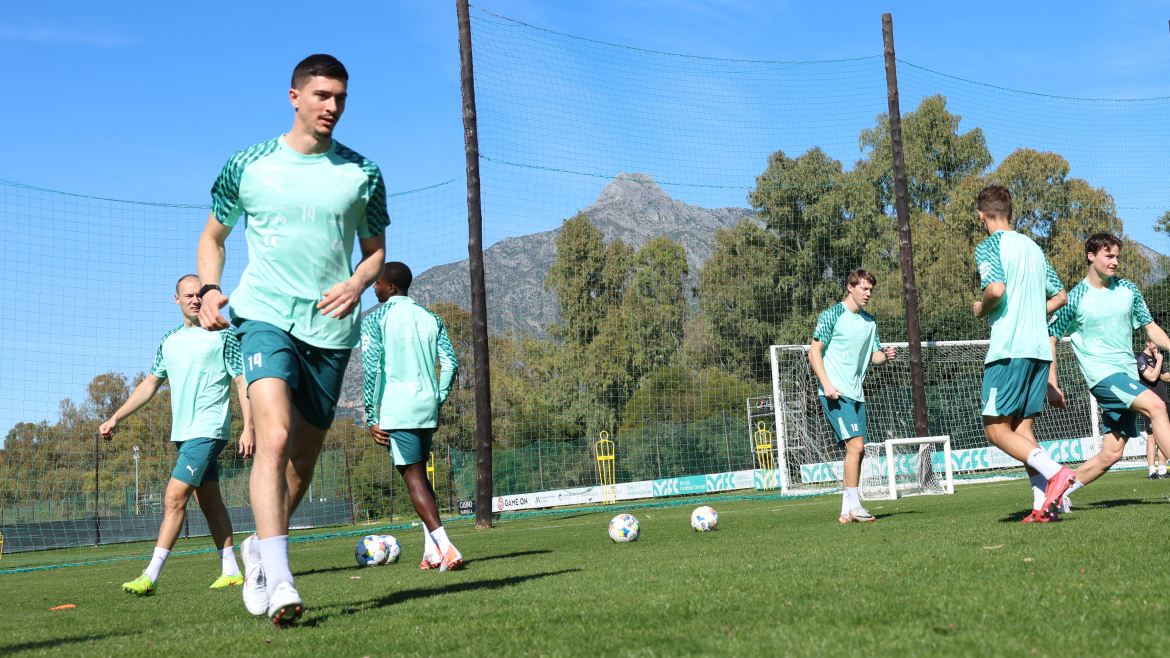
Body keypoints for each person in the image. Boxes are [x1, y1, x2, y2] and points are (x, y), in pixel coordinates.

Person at [195, 54, 388, 625]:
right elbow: (212, 237)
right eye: (322, 95)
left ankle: (261, 547)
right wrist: (210, 289)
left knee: (302, 459)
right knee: (273, 436)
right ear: (294, 96)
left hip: (331, 327)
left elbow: (375, 251)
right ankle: (280, 580)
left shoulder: (363, 173)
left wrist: (357, 283)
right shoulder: (248, 165)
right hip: (264, 315)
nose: (333, 106)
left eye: (340, 98)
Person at [100, 275, 253, 595]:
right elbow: (149, 384)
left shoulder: (223, 334)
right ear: (177, 299)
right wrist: (116, 417)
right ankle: (231, 571)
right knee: (209, 502)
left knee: (173, 497)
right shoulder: (169, 340)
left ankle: (150, 576)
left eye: (200, 295)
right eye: (188, 295)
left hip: (208, 429)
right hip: (183, 434)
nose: (195, 300)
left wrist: (248, 427)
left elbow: (242, 382)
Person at [972, 185, 1072, 523]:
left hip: (1010, 349)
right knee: (1022, 431)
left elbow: (995, 289)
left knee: (995, 430)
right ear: (1011, 213)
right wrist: (1030, 310)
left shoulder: (990, 245)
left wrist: (981, 307)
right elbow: (1061, 296)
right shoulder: (1034, 248)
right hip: (1039, 350)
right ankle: (1044, 506)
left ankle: (1056, 472)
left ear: (981, 216)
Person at [1048, 233, 1170, 505]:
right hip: (1103, 376)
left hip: (1127, 375)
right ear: (1091, 256)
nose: (1115, 262)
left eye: (1117, 257)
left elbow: (1150, 327)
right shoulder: (1074, 298)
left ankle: (1056, 494)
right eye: (1109, 256)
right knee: (1157, 406)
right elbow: (1050, 338)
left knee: (1112, 453)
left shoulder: (1129, 290)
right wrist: (1051, 383)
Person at [362, 263, 462, 570]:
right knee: (421, 478)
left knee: (414, 479)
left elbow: (372, 369)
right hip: (426, 407)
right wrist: (437, 397)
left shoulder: (376, 319)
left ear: (391, 287)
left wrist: (371, 416)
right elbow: (451, 363)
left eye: (378, 283)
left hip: (398, 409)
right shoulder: (431, 317)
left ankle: (446, 547)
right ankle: (432, 552)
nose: (374, 288)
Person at [808, 269, 897, 523]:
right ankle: (856, 507)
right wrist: (826, 384)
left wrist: (885, 356)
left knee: (856, 451)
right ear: (850, 287)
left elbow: (874, 356)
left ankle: (846, 510)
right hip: (835, 393)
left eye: (871, 290)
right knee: (856, 447)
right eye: (864, 288)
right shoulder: (832, 315)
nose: (868, 293)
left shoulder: (870, 322)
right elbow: (814, 352)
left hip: (858, 395)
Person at [1135, 338, 1170, 479]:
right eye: (1155, 342)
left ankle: (1162, 469)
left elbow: (1167, 378)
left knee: (1164, 435)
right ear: (1147, 342)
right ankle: (1152, 471)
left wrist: (1157, 369)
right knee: (1152, 436)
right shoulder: (1140, 358)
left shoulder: (1157, 358)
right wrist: (1158, 363)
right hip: (1150, 402)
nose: (1157, 345)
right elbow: (1151, 378)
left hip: (1164, 400)